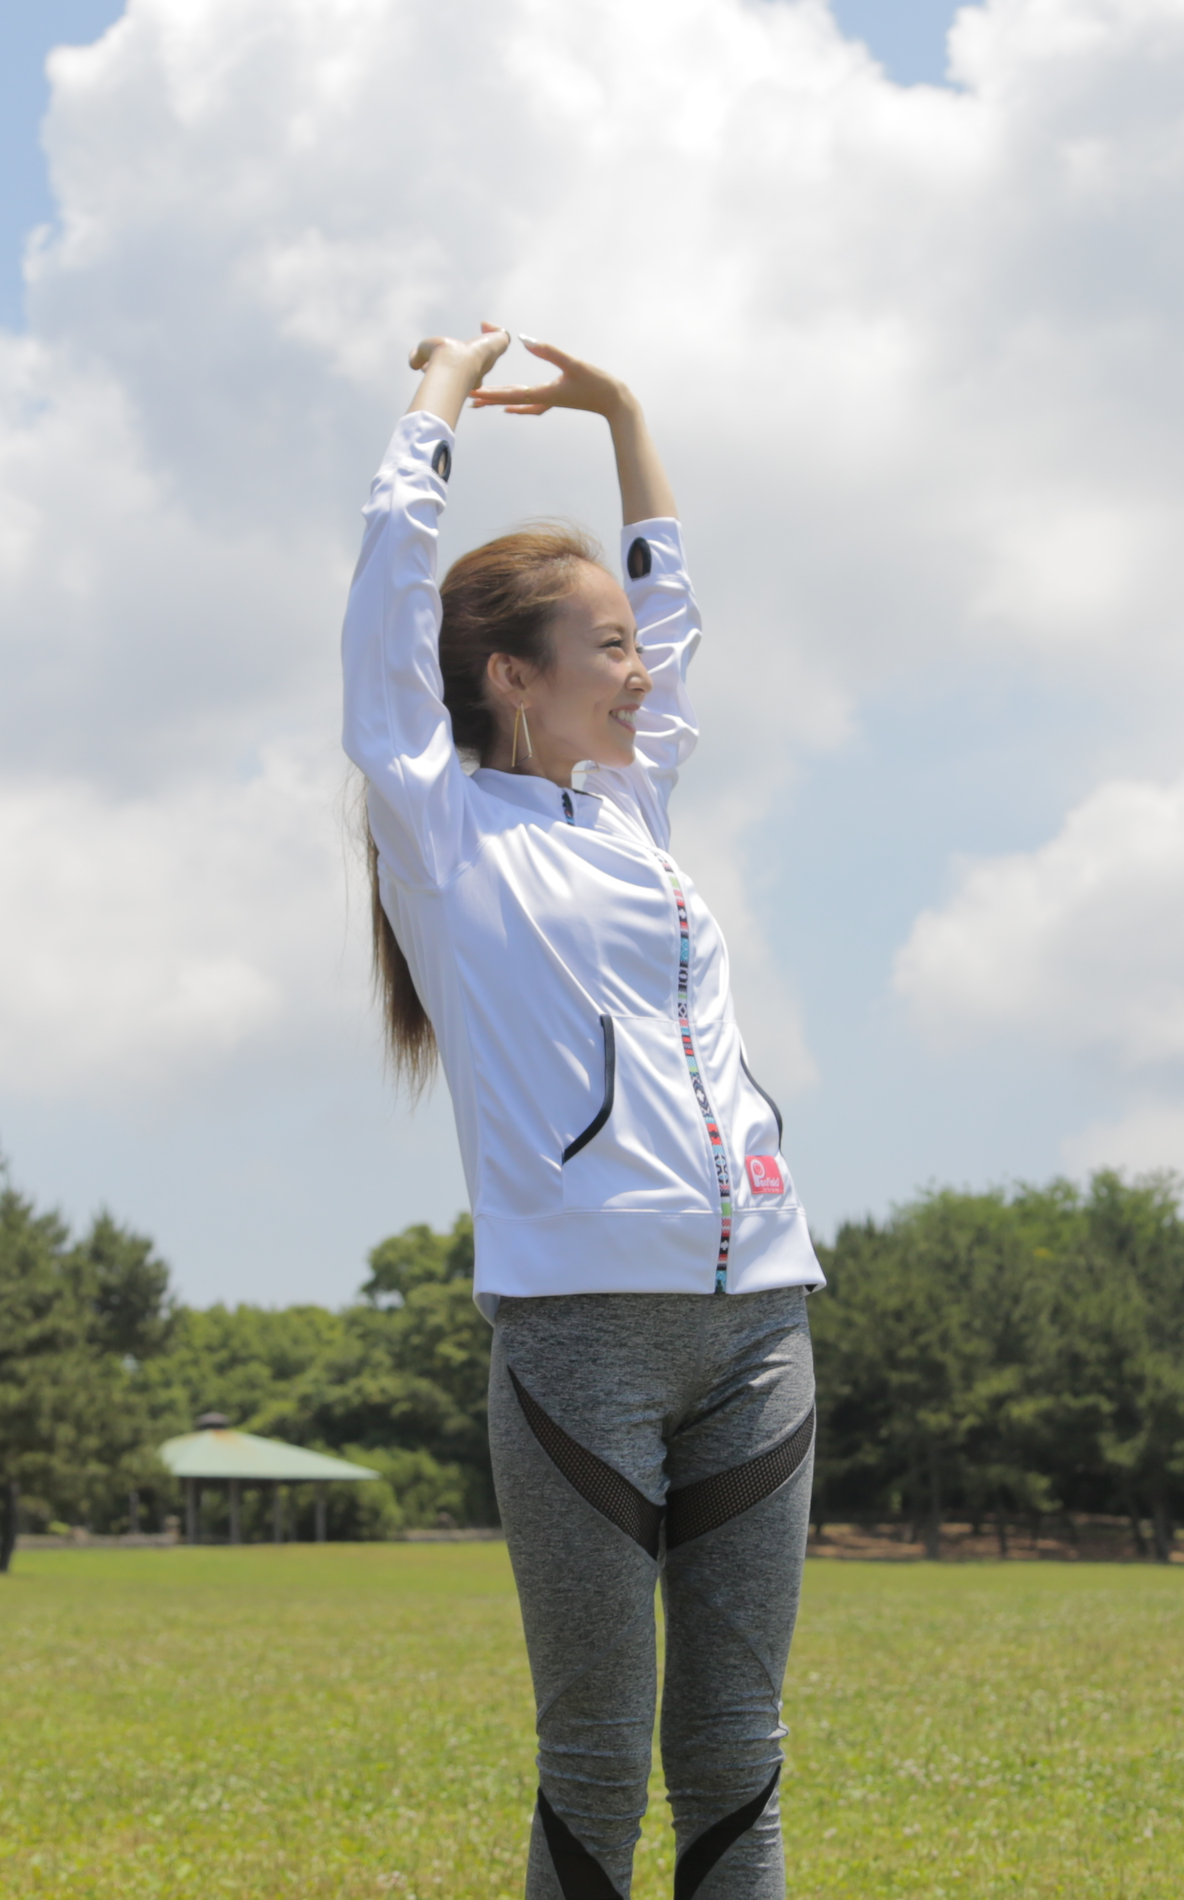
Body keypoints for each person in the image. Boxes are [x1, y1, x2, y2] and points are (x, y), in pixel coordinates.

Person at [344, 327, 819, 1900]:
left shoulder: (631, 804)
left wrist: (625, 414)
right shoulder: (441, 825)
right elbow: (384, 610)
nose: (644, 668)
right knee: (603, 1758)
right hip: (578, 1339)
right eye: (607, 648)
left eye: (638, 643)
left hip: (761, 1320)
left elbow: (672, 590)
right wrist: (430, 410)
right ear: (507, 677)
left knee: (737, 1754)